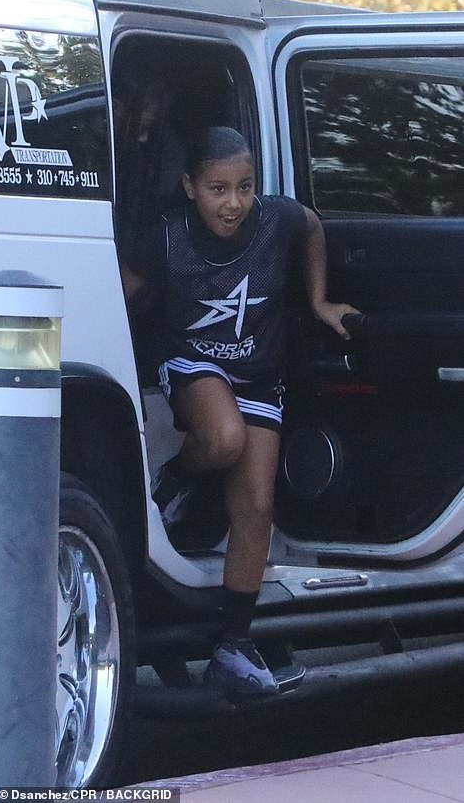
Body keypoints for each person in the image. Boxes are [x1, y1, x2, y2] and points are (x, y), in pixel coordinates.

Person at [127, 126, 359, 698]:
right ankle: (178, 478)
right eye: (217, 189)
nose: (233, 203)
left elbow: (311, 225)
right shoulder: (166, 238)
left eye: (245, 187)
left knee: (256, 506)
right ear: (189, 188)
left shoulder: (276, 220)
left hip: (260, 373)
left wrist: (317, 299)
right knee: (225, 438)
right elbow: (123, 289)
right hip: (193, 362)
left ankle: (233, 644)